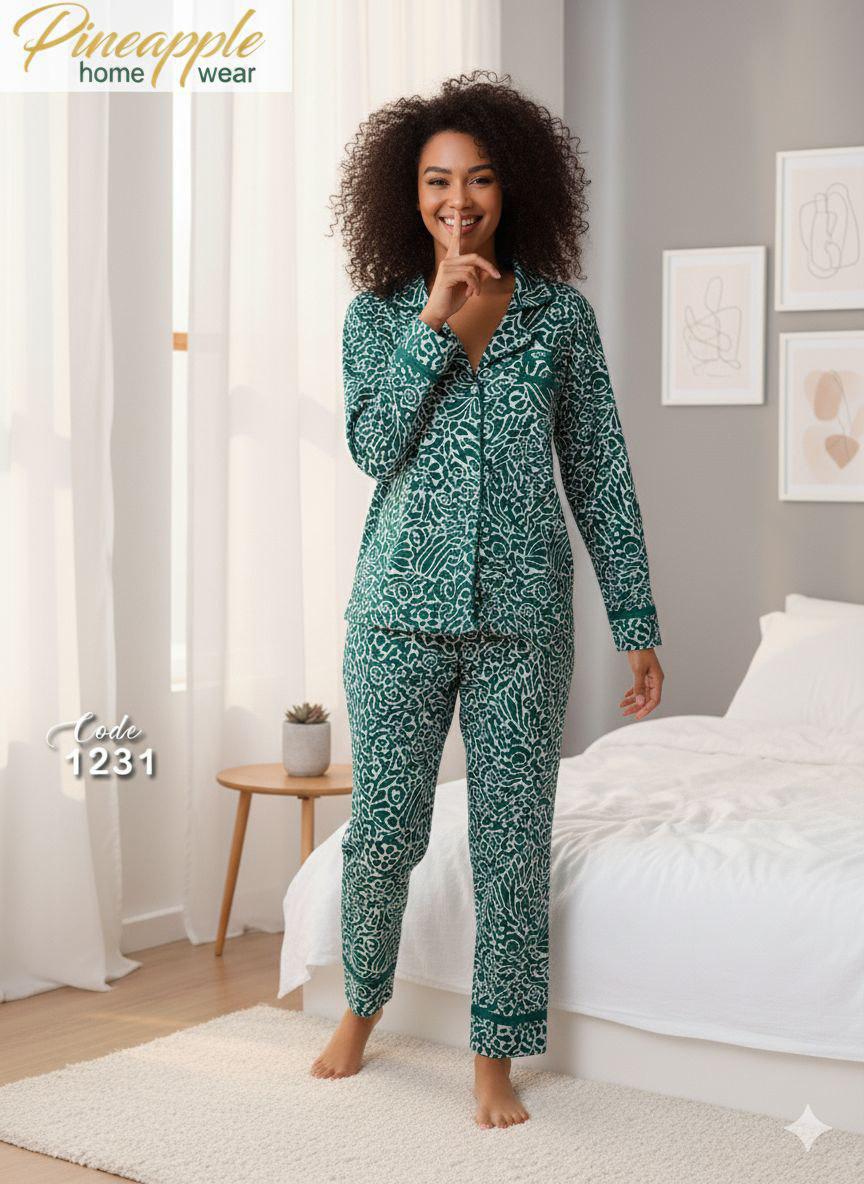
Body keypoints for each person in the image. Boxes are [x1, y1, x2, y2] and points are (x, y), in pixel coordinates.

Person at [310, 70, 665, 1129]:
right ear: (408, 193)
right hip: (395, 618)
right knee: (384, 832)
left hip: (524, 623)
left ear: (512, 189)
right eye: (436, 180)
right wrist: (433, 319)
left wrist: (636, 622)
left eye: (477, 179)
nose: (457, 199)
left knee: (513, 845)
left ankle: (494, 1055)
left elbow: (599, 471)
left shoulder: (559, 318)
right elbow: (373, 447)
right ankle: (361, 1005)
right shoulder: (377, 317)